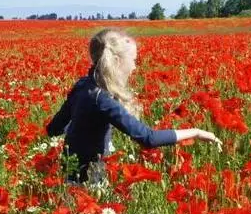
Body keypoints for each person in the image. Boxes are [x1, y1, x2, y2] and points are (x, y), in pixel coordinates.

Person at [46, 28, 221, 185]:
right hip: (89, 182)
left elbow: (53, 129)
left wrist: (81, 131)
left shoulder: (83, 85)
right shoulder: (102, 99)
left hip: (69, 175)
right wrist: (197, 132)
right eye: (133, 60)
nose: (135, 67)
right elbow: (148, 138)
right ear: (116, 61)